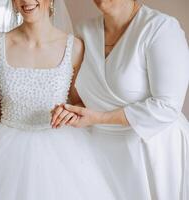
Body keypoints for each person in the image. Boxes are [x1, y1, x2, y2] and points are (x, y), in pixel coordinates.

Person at [0, 0, 115, 199]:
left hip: (60, 151)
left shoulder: (75, 47)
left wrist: (69, 112)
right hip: (5, 153)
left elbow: (76, 101)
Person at [52, 0, 189, 199]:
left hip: (152, 151)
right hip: (101, 152)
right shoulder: (83, 32)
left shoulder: (160, 28)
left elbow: (167, 106)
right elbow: (87, 96)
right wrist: (71, 110)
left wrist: (98, 118)